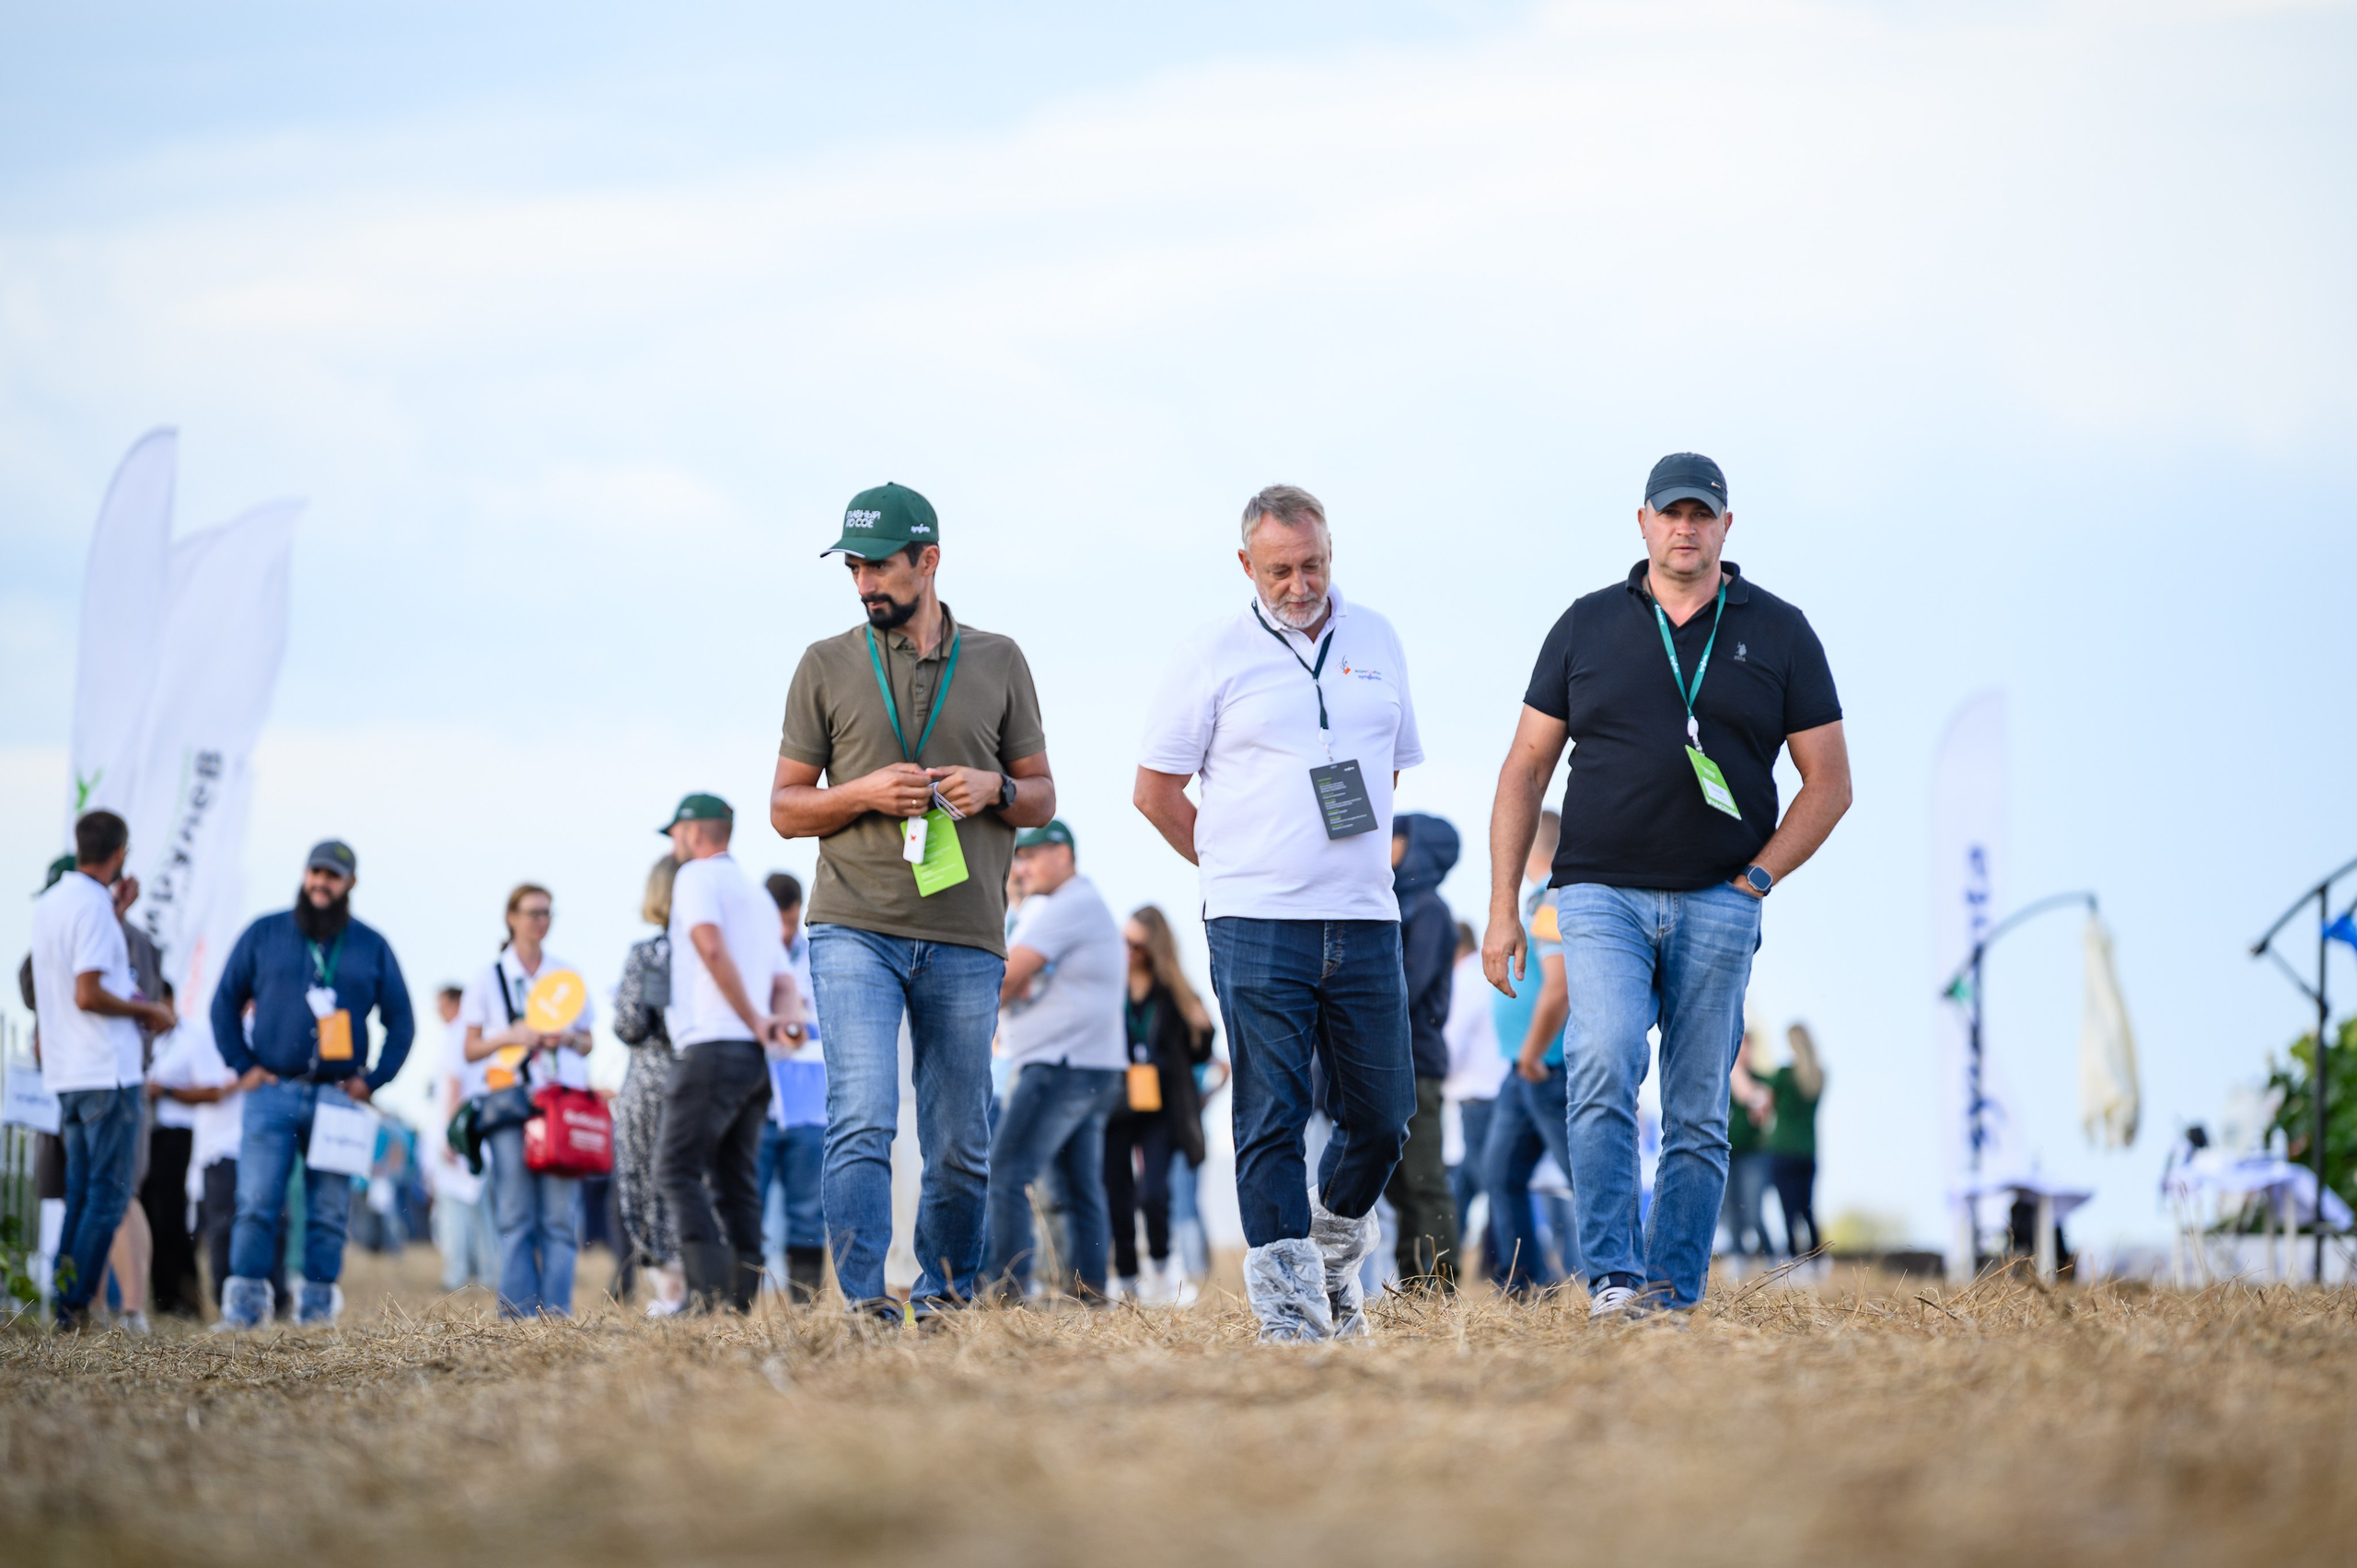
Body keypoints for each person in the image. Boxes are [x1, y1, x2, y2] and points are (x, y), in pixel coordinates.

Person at [1484, 452, 1851, 1318]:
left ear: (1726, 525)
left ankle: (1671, 1292)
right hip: (1598, 892)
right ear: (1643, 521)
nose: (1685, 527)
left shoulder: (1782, 631)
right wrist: (1503, 909)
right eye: (1670, 512)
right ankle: (1613, 1277)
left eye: (1701, 513)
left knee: (1697, 1109)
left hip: (1720, 898)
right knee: (1603, 1058)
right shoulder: (1586, 624)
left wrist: (1755, 879)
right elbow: (1525, 768)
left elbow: (1830, 781)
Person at [1135, 483, 1422, 1342]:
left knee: (1384, 1115)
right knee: (1273, 1114)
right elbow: (1154, 792)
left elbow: (1388, 767)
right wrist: (1235, 867)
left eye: (1313, 565)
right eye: (1280, 570)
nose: (1300, 585)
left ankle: (1329, 1259)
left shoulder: (1378, 637)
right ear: (1246, 565)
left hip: (1365, 916)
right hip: (1255, 920)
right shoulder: (1209, 654)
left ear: (1332, 553)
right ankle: (1290, 1319)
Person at [769, 482, 1055, 1321]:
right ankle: (865, 1308)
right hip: (852, 925)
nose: (864, 583)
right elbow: (784, 808)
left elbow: (1042, 796)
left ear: (928, 561)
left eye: (879, 566)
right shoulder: (824, 663)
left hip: (966, 932)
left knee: (960, 1136)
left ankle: (945, 1303)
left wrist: (997, 787)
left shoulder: (1000, 659)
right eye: (853, 568)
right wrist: (862, 792)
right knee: (862, 1116)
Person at [211, 839, 416, 1328]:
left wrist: (374, 1080)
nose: (322, 883)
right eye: (315, 872)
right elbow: (223, 1003)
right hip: (270, 1092)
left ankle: (317, 1313)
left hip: (338, 1097)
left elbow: (402, 1021)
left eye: (333, 876)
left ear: (350, 883)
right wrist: (243, 1066)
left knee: (328, 1210)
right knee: (256, 1203)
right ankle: (244, 1312)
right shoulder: (263, 932)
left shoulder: (371, 945)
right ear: (305, 875)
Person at [30, 812, 177, 1330]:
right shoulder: (92, 908)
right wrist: (149, 1010)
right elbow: (88, 993)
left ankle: (64, 1305)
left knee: (80, 1196)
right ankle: (72, 1310)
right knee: (109, 1196)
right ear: (120, 854)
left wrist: (115, 910)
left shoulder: (54, 903)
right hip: (106, 1072)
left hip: (68, 1072)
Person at [981, 820, 1126, 1303]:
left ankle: (1005, 1293)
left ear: (1064, 854)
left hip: (1062, 1065)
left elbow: (1003, 979)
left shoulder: (1068, 905)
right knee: (1078, 1186)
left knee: (1005, 1173)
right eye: (1017, 859)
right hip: (1092, 1065)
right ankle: (1090, 1293)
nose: (1021, 868)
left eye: (1031, 856)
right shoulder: (1084, 903)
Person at [660, 793, 794, 1313]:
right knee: (735, 1178)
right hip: (754, 1058)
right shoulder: (757, 895)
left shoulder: (695, 876)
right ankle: (739, 1303)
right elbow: (784, 982)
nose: (673, 844)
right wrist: (778, 1027)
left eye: (675, 833)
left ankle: (707, 1300)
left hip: (713, 1043)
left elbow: (709, 946)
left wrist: (755, 1019)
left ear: (694, 832)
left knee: (676, 1168)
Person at [460, 885, 596, 1318]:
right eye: (533, 912)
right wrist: (510, 1036)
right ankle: (517, 1314)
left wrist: (567, 1038)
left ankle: (557, 1313)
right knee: (515, 1215)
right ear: (511, 917)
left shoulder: (566, 977)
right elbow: (470, 1048)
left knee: (558, 1217)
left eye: (547, 913)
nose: (540, 921)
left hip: (558, 1105)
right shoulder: (488, 977)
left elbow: (588, 1041)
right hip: (508, 1103)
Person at [1483, 819, 1579, 1295]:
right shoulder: (1540, 899)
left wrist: (1530, 1055)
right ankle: (1526, 1285)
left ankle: (1624, 1275)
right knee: (1501, 1174)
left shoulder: (1551, 899)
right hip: (1525, 1067)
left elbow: (1559, 988)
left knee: (1584, 1176)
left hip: (1545, 1066)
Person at [1104, 903, 1215, 1304]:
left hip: (1163, 1108)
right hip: (1116, 1104)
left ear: (1154, 947)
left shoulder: (1175, 993)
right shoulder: (1108, 989)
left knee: (1154, 1193)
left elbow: (1201, 1054)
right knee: (1117, 1191)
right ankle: (1127, 1276)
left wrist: (1203, 1030)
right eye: (1124, 942)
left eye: (1137, 945)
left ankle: (1164, 1269)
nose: (1128, 951)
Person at [1387, 812, 1461, 1288]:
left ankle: (1440, 1283)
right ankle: (1413, 1285)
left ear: (1416, 847)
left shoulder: (1429, 910)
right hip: (1391, 1061)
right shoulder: (1394, 903)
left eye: (1394, 837)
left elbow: (1409, 985)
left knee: (1424, 1179)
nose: (1384, 844)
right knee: (1397, 1183)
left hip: (1417, 1062)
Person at [611, 854, 684, 1314]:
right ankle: (690, 1292)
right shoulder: (719, 950)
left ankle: (669, 1294)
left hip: (649, 1082)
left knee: (647, 1186)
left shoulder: (648, 954)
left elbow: (628, 1024)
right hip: (700, 1076)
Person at [757, 870, 828, 1302]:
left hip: (807, 1106)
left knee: (807, 1212)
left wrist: (800, 1025)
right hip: (759, 1103)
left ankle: (806, 1305)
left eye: (788, 921)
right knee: (749, 1207)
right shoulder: (748, 957)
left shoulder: (819, 957)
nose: (783, 933)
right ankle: (737, 1307)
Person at [1440, 921, 1509, 1286]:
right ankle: (1469, 1270)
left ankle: (1505, 1273)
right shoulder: (1480, 979)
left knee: (1490, 1188)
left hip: (1477, 1098)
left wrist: (1430, 1076)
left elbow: (1452, 1043)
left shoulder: (1464, 980)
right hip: (1486, 1095)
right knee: (1468, 1188)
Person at [139, 983, 209, 1318]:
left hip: (176, 1133)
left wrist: (166, 1090)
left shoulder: (192, 1038)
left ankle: (187, 1298)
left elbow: (213, 1090)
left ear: (169, 1001)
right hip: (146, 1132)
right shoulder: (146, 1038)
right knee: (149, 1213)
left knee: (171, 1214)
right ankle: (162, 1299)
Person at [426, 984, 497, 1292]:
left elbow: (453, 1085)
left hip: (460, 1132)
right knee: (480, 1209)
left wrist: (451, 1136)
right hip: (477, 1132)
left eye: (441, 1004)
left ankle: (456, 1275)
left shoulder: (456, 1035)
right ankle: (489, 1273)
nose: (437, 1010)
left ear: (455, 1003)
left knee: (454, 1207)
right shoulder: (476, 1036)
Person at [1767, 1022, 1825, 1258]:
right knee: (1807, 1207)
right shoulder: (1819, 1077)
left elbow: (1766, 1102)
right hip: (1808, 1151)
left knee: (1788, 1210)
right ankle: (1817, 1256)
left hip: (1783, 1149)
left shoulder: (1784, 1075)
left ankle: (1793, 1254)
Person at [1720, 1025, 1773, 1259]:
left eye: (1745, 1047)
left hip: (1753, 1155)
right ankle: (1737, 1254)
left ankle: (1771, 1256)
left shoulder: (1762, 1081)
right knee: (1730, 1209)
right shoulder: (1722, 1082)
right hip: (1727, 1154)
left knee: (1753, 1210)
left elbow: (1762, 1112)